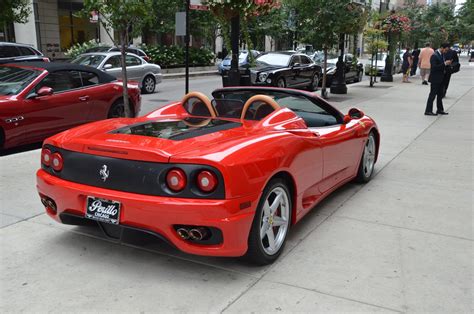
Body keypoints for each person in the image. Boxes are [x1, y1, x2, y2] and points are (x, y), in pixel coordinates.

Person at [424, 43, 452, 116]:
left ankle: (440, 109)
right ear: (442, 48)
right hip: (435, 78)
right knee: (432, 95)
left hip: (441, 78)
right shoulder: (434, 55)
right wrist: (444, 64)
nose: (446, 52)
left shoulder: (442, 55)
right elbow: (434, 67)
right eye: (445, 50)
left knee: (440, 95)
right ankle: (428, 110)